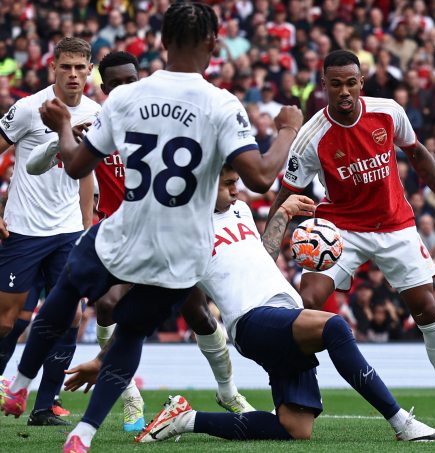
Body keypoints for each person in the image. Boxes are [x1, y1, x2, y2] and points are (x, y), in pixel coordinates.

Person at [0, 5, 303, 452]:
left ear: (160, 43)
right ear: (214, 45)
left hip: (126, 233)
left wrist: (63, 127)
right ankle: (82, 435)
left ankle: (21, 382)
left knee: (69, 285)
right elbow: (259, 178)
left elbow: (76, 163)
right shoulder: (222, 103)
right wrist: (287, 130)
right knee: (131, 334)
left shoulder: (124, 98)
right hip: (182, 251)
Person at [67, 166, 435, 443]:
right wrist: (105, 359)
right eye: (229, 184)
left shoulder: (241, 210)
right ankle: (401, 423)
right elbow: (150, 306)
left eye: (237, 183)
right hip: (253, 322)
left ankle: (187, 419)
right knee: (334, 326)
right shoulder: (184, 232)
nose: (237, 190)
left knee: (295, 430)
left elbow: (259, 255)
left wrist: (280, 216)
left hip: (285, 315)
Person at [26, 51, 255, 432]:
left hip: (171, 234)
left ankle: (228, 392)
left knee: (198, 313)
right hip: (122, 239)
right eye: (114, 84)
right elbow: (59, 166)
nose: (124, 89)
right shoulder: (97, 123)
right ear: (104, 88)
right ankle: (130, 399)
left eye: (130, 80)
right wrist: (60, 142)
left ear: (141, 79)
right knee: (107, 306)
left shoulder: (164, 119)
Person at [268, 50, 435, 429]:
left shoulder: (387, 111)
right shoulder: (311, 137)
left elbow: (418, 156)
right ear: (324, 86)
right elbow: (284, 193)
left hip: (395, 224)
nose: (345, 91)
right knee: (305, 306)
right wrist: (264, 248)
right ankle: (292, 399)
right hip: (341, 228)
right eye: (336, 84)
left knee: (427, 311)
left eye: (351, 82)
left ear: (361, 82)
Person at [0, 37, 100, 427]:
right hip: (23, 230)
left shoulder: (97, 112)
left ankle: (45, 406)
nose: (73, 73)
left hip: (68, 232)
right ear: (52, 68)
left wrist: (87, 228)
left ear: (90, 69)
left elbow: (86, 175)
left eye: (80, 66)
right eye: (66, 66)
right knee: (8, 319)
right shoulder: (28, 109)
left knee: (70, 316)